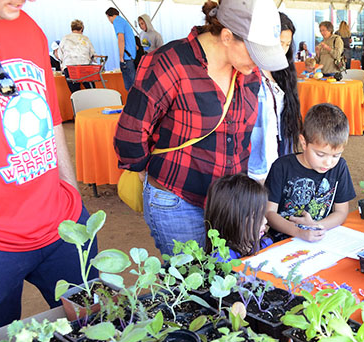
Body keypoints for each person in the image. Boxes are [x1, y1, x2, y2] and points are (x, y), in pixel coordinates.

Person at [113, 0, 287, 257]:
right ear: (227, 36)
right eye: (254, 51)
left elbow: (243, 137)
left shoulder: (247, 71)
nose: (259, 63)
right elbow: (130, 133)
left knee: (227, 280)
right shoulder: (170, 62)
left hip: (228, 203)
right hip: (178, 199)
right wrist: (141, 169)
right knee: (191, 285)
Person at [0, 0, 96, 326]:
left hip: (62, 226)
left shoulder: (26, 26)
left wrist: (73, 195)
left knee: (98, 328)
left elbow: (52, 120)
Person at [264, 103, 356, 243]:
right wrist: (299, 231)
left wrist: (316, 227)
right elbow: (269, 213)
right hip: (281, 240)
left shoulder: (340, 167)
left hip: (320, 237)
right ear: (303, 142)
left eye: (335, 155)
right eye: (320, 155)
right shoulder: (281, 167)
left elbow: (341, 212)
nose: (328, 163)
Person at [249, 12, 302, 183]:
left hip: (277, 153)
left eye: (287, 44)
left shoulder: (282, 72)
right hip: (254, 162)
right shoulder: (248, 70)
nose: (283, 49)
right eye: (279, 43)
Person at [203, 174, 272, 259]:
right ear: (231, 220)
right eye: (255, 216)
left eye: (263, 214)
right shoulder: (222, 259)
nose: (265, 221)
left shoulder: (265, 243)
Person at [57, 19, 96, 93]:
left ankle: (78, 103)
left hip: (69, 68)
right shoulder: (85, 39)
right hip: (84, 67)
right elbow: (92, 54)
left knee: (75, 92)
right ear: (81, 29)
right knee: (91, 91)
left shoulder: (65, 38)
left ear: (71, 28)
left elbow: (60, 55)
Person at [105, 7, 136, 90]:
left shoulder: (117, 22)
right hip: (131, 56)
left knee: (130, 87)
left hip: (127, 58)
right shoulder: (123, 21)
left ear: (109, 16)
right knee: (133, 86)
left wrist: (121, 57)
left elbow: (121, 39)